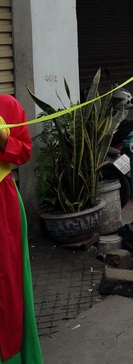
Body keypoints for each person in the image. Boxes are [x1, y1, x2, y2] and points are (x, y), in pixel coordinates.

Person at [0, 96, 42, 364]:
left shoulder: (7, 105)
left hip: (3, 204)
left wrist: (1, 139)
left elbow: (23, 152)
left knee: (8, 283)